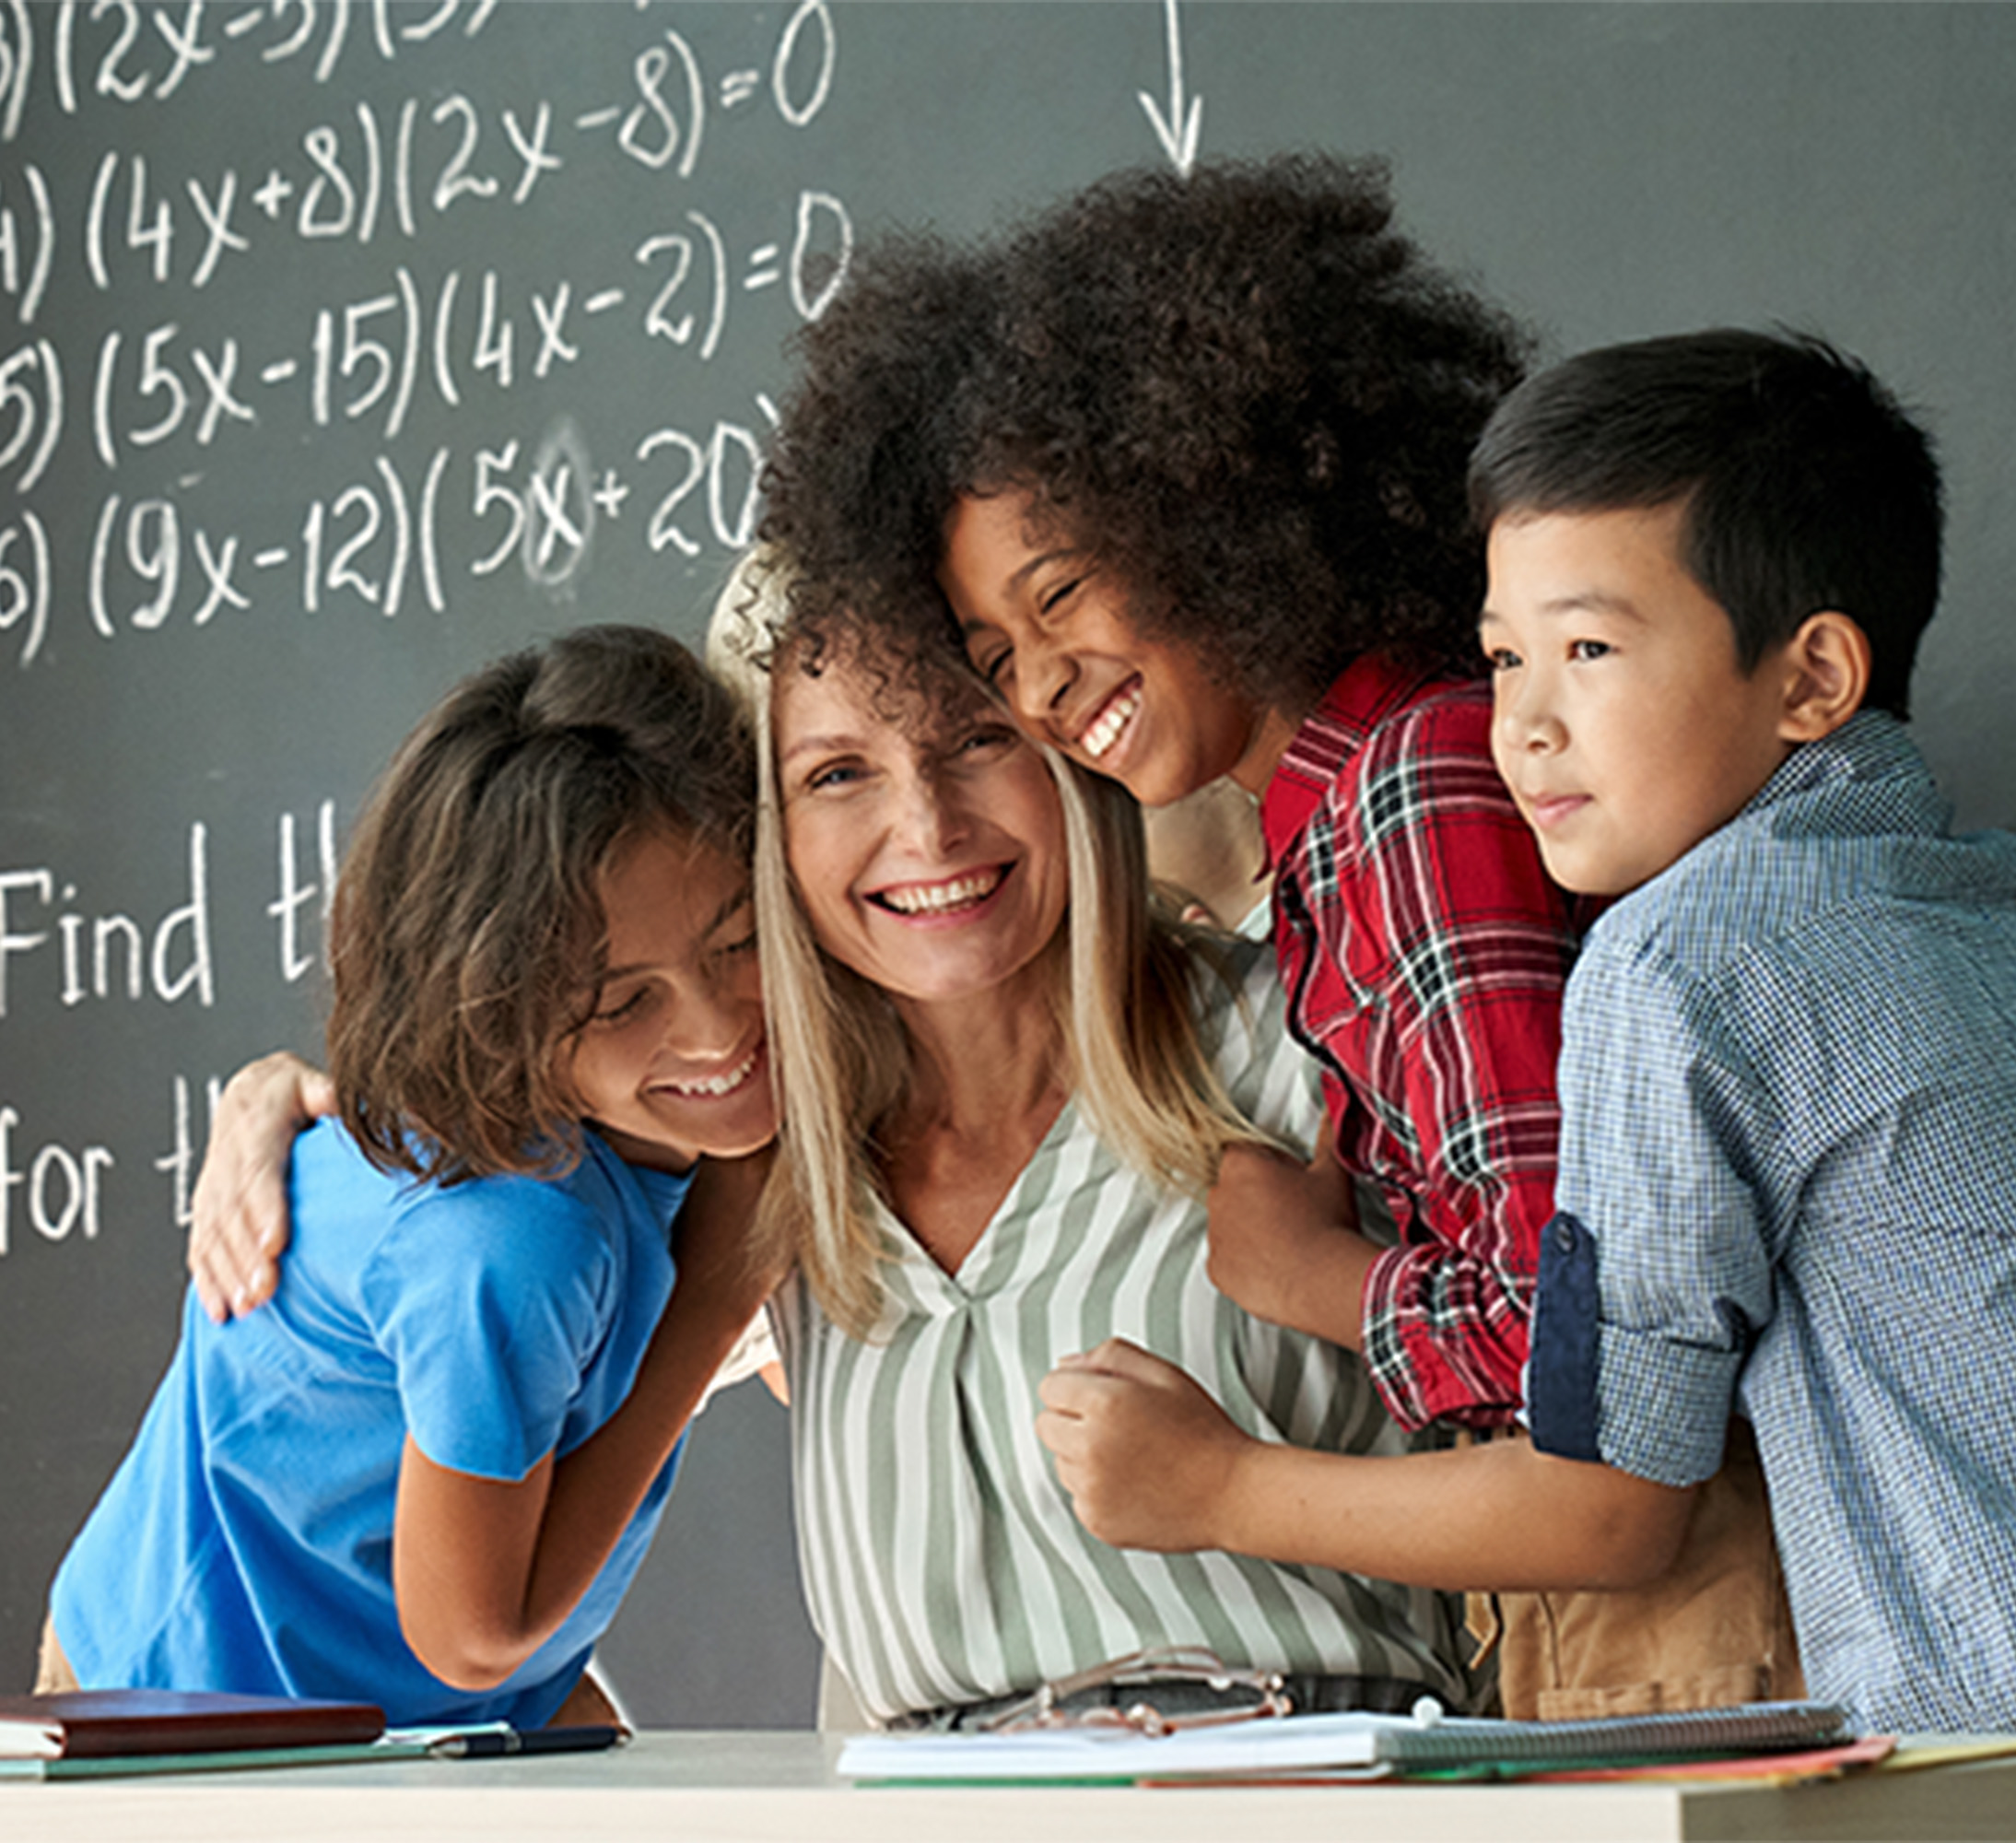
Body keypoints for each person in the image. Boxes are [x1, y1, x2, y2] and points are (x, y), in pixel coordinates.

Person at [756, 155, 1799, 1720]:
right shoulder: (1338, 823)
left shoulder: (1418, 794)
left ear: (1214, 511)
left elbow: (1560, 1358)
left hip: (1665, 1625)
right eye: (997, 652)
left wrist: (1304, 1281)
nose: (1042, 687)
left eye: (1063, 599)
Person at [189, 555, 1475, 1731]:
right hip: (911, 1798)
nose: (925, 828)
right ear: (767, 834)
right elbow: (478, 1088)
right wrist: (289, 1102)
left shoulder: (1313, 1040)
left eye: (977, 737)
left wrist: (1241, 1481)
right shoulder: (766, 1160)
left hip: (1312, 1780)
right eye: (836, 774)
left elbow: (1604, 1464)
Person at [1032, 329, 2016, 1734]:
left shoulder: (1676, 965)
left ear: (1810, 680)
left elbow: (1610, 1509)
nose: (1524, 729)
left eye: (1592, 649)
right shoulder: (1985, 899)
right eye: (1502, 659)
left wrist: (1217, 1485)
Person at [46, 627, 780, 1729]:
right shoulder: (515, 1232)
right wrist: (720, 1295)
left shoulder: (688, 1130)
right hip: (196, 1696)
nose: (718, 1024)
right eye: (624, 1001)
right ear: (507, 1013)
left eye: (741, 941)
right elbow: (473, 1635)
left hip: (388, 1666)